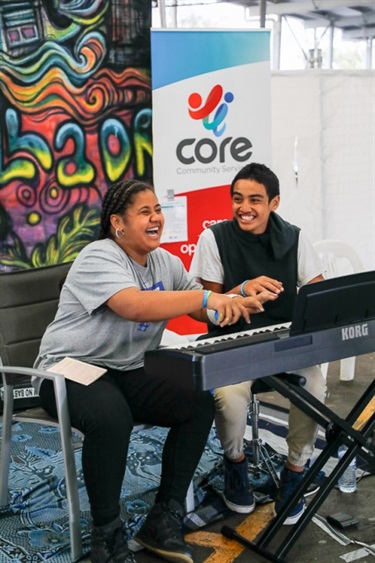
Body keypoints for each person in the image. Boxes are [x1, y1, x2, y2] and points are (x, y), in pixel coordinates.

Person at [33, 179, 276, 563]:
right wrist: (207, 296)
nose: (156, 218)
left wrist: (240, 294)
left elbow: (201, 308)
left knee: (197, 399)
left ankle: (163, 519)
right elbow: (134, 305)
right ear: (118, 223)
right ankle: (107, 537)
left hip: (125, 369)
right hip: (68, 370)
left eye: (158, 210)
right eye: (145, 212)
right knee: (111, 417)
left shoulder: (165, 261)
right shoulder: (99, 256)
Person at [189, 162, 327, 525]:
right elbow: (202, 310)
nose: (243, 207)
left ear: (274, 202)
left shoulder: (295, 238)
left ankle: (295, 471)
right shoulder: (214, 238)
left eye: (254, 199)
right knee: (230, 395)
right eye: (237, 199)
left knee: (314, 383)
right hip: (232, 344)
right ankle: (235, 465)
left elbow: (318, 293)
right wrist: (241, 291)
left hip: (284, 343)